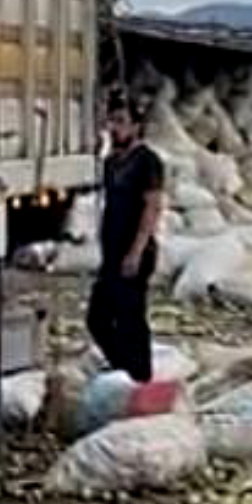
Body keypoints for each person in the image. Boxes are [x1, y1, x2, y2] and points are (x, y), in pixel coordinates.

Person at [87, 91, 165, 382]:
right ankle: (123, 368)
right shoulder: (112, 162)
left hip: (134, 251)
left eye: (121, 122)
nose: (115, 128)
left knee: (131, 318)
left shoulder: (147, 161)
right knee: (99, 318)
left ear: (136, 127)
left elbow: (152, 207)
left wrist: (135, 252)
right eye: (112, 122)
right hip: (112, 249)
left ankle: (140, 376)